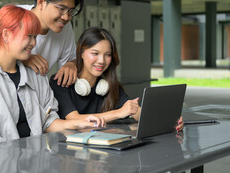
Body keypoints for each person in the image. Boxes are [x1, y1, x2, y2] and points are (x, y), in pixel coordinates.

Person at [0, 6, 104, 144]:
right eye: (29, 36)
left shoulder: (36, 75)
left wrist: (79, 123)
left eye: (35, 37)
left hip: (33, 162)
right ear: (6, 35)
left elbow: (48, 122)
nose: (34, 43)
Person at [50, 27, 184, 131]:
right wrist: (119, 113)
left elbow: (137, 112)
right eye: (95, 53)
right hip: (67, 152)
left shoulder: (109, 87)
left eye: (107, 55)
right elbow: (75, 119)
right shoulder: (61, 82)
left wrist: (169, 121)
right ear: (81, 53)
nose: (101, 61)